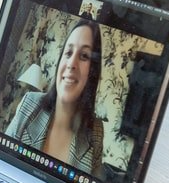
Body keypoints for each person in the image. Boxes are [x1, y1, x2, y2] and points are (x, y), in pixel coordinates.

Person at [5, 18, 104, 174]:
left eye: (84, 56)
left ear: (92, 71)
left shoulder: (96, 131)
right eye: (68, 52)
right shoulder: (29, 103)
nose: (72, 63)